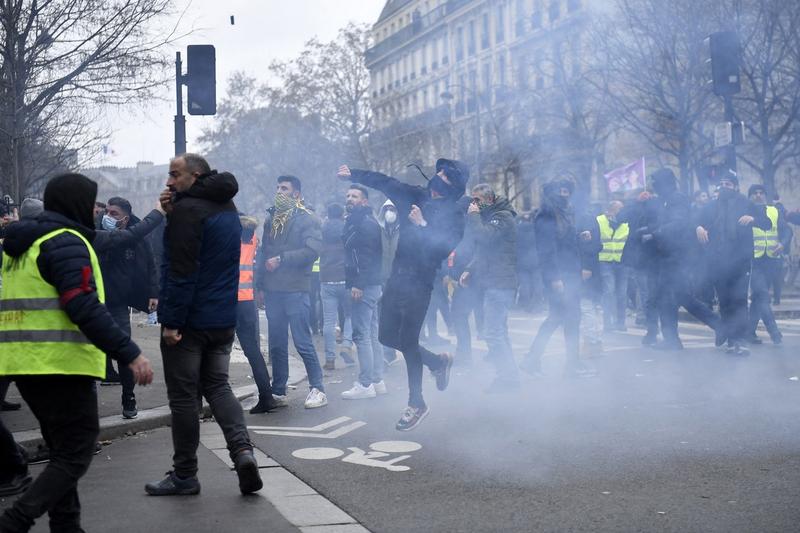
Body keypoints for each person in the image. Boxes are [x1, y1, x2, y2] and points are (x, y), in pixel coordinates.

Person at [0, 173, 154, 531]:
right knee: (75, 453)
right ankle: (14, 521)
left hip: (24, 364)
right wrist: (129, 352)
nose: (95, 211)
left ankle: (67, 527)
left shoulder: (20, 246)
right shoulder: (65, 242)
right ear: (77, 204)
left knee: (61, 452)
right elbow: (82, 305)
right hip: (61, 365)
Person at [146, 153, 263, 496]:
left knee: (184, 398)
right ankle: (242, 452)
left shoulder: (188, 211)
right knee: (219, 386)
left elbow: (181, 271)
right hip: (222, 317)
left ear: (195, 176)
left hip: (190, 322)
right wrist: (173, 212)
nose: (169, 181)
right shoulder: (227, 206)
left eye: (175, 175)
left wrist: (171, 322)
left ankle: (185, 475)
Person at [337, 159, 467, 431]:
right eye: (440, 171)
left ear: (454, 185)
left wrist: (421, 225)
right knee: (385, 336)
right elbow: (386, 183)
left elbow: (440, 250)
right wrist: (354, 174)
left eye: (446, 175)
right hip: (397, 278)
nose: (439, 176)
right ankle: (437, 361)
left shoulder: (454, 215)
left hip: (420, 283)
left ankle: (416, 403)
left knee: (408, 341)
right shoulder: (416, 195)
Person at [254, 175, 327, 409]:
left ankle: (318, 389)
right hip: (273, 290)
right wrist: (259, 286)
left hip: (296, 289)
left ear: (296, 194)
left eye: (284, 188)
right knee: (276, 344)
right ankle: (278, 391)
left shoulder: (308, 219)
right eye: (277, 187)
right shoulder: (271, 219)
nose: (279, 191)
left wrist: (282, 259)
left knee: (302, 341)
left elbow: (312, 251)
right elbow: (263, 253)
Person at [520, 179, 596, 378]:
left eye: (567, 191)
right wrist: (555, 277)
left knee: (568, 317)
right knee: (560, 317)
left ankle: (555, 361)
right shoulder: (547, 214)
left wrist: (581, 236)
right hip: (559, 275)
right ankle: (545, 361)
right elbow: (547, 249)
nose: (565, 195)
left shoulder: (565, 212)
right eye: (561, 191)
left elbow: (565, 242)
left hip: (570, 273)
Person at [96, 196, 159, 419]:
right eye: (107, 212)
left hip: (119, 304)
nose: (107, 216)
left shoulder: (137, 239)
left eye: (113, 213)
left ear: (125, 217)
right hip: (95, 303)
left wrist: (153, 292)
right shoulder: (98, 234)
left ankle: (128, 397)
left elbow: (150, 264)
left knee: (124, 352)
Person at [695, 174, 771, 356]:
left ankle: (741, 341)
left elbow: (767, 223)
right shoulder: (712, 206)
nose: (723, 187)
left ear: (736, 187)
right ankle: (731, 339)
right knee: (725, 302)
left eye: (727, 184)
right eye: (721, 184)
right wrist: (698, 227)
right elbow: (695, 219)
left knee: (739, 300)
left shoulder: (746, 203)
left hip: (740, 262)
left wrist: (753, 219)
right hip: (718, 262)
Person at [459, 184, 520, 391]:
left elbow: (484, 237)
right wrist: (470, 269)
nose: (474, 204)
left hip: (500, 283)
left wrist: (474, 216)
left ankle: (507, 378)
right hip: (495, 282)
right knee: (499, 332)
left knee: (493, 333)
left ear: (489, 199)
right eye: (473, 200)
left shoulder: (502, 217)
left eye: (477, 200)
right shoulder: (492, 216)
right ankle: (510, 377)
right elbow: (484, 250)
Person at [340, 184, 386, 399]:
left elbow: (367, 258)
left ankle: (365, 383)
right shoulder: (362, 221)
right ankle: (377, 380)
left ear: (364, 201)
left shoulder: (364, 224)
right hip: (371, 285)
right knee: (372, 333)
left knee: (362, 335)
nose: (349, 198)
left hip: (364, 286)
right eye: (348, 195)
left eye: (354, 196)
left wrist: (358, 284)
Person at [237, 215, 276, 413]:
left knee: (216, 351)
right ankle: (267, 396)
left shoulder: (228, 236)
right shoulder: (252, 238)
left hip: (227, 300)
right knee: (252, 350)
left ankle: (213, 401)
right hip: (247, 300)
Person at [747, 184, 790, 345]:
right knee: (763, 295)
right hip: (754, 261)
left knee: (758, 298)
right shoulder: (745, 212)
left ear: (765, 196)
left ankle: (749, 333)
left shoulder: (774, 211)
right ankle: (774, 332)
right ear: (749, 197)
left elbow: (787, 231)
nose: (758, 196)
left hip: (772, 260)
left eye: (761, 193)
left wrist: (783, 244)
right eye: (755, 193)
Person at [319, 202, 354, 371]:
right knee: (350, 315)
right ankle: (346, 344)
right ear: (341, 214)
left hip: (327, 279)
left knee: (329, 321)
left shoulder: (322, 230)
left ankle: (330, 359)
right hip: (346, 279)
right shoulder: (348, 228)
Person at [595, 201, 629, 332]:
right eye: (618, 209)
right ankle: (607, 322)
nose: (620, 212)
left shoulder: (626, 222)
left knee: (622, 293)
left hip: (622, 262)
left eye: (622, 209)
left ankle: (620, 322)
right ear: (610, 210)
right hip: (605, 261)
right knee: (609, 292)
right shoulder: (599, 221)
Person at [377, 200, 402, 366]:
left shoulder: (404, 229)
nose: (389, 212)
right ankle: (387, 352)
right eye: (387, 209)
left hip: (399, 279)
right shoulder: (378, 229)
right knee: (382, 316)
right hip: (381, 278)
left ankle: (394, 349)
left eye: (392, 209)